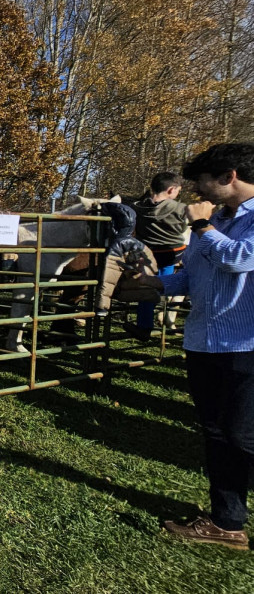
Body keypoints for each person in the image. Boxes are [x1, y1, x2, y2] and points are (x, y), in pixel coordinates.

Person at [131, 143, 254, 549]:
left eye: (201, 181)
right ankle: (227, 521)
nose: (196, 192)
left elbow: (238, 260)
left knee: (242, 435)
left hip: (245, 343)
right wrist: (157, 284)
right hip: (204, 340)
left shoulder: (218, 224)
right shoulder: (218, 218)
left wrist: (202, 228)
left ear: (228, 176)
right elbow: (194, 275)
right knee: (218, 434)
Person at [125, 173, 190, 340]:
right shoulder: (181, 208)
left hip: (147, 254)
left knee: (147, 289)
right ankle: (163, 318)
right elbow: (183, 229)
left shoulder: (137, 207)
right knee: (163, 285)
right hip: (171, 254)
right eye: (178, 191)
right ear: (171, 190)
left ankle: (144, 326)